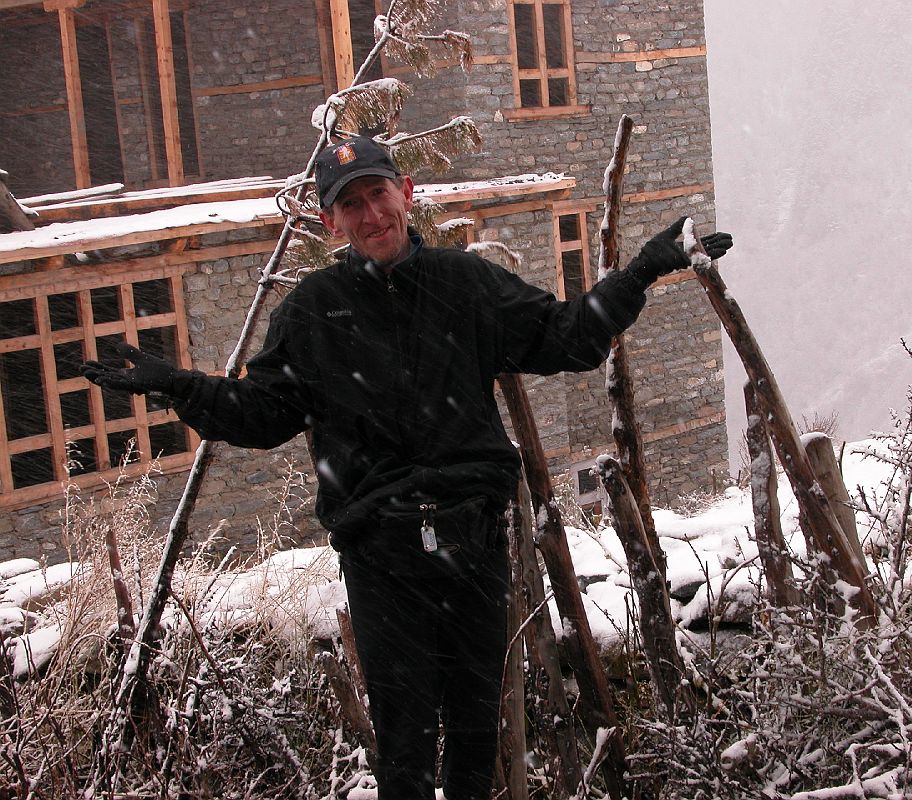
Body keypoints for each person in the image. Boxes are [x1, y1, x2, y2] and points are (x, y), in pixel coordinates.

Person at [81, 134, 733, 800]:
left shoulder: (466, 285)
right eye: (351, 205)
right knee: (405, 754)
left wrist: (641, 272)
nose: (371, 215)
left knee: (477, 740)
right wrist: (179, 387)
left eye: (378, 194)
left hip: (472, 543)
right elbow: (263, 414)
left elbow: (568, 338)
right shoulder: (313, 310)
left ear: (406, 193)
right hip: (382, 558)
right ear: (330, 220)